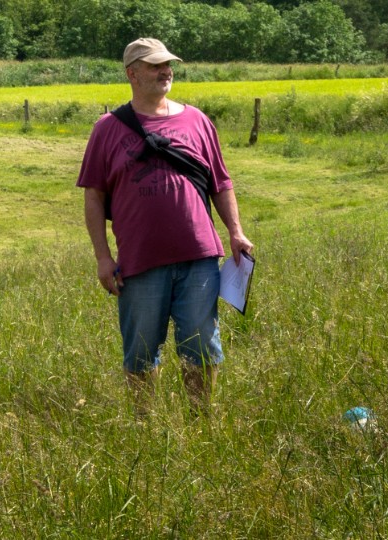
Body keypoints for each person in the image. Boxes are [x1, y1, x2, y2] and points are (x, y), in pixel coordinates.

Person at [77, 38, 254, 416]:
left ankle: (201, 421)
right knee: (141, 353)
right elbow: (94, 196)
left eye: (167, 64)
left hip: (199, 257)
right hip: (140, 262)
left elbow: (221, 182)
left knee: (202, 347)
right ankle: (146, 426)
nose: (166, 71)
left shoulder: (197, 121)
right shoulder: (107, 129)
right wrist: (102, 257)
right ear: (132, 74)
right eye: (155, 66)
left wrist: (235, 231)